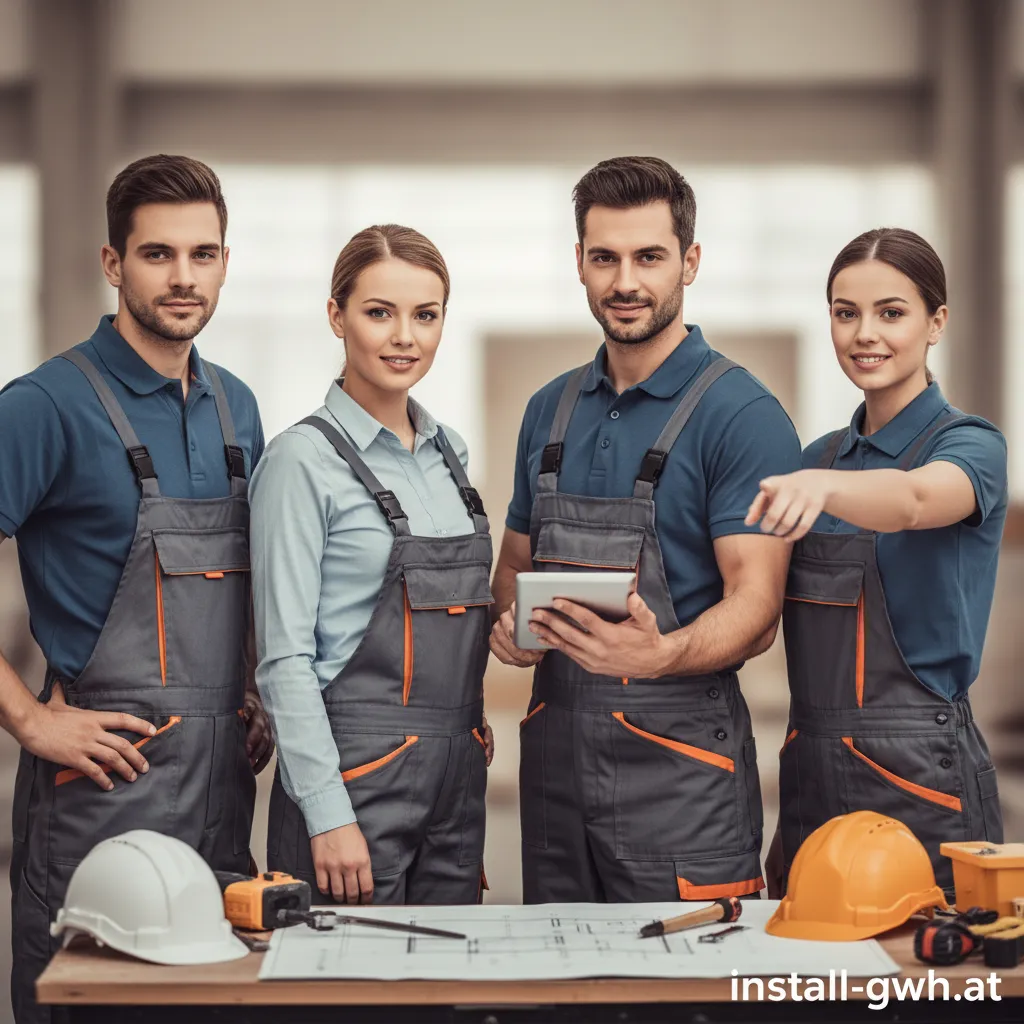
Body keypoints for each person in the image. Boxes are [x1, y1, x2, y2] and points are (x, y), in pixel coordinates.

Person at [0, 155, 273, 1024]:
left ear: (226, 262)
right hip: (104, 788)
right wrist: (31, 719)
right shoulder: (44, 405)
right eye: (158, 254)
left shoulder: (240, 411)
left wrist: (253, 686)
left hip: (222, 792)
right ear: (114, 264)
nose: (184, 277)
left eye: (204, 254)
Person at [489, 156, 802, 903]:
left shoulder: (742, 416)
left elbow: (756, 611)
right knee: (562, 985)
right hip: (557, 771)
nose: (625, 281)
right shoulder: (550, 411)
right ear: (580, 264)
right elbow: (513, 568)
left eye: (648, 257)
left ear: (689, 262)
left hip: (681, 774)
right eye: (605, 258)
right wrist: (510, 629)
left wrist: (660, 655)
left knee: (689, 996)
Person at [748, 228, 1008, 897]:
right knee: (802, 987)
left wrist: (823, 490)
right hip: (811, 770)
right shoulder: (819, 460)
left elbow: (918, 498)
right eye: (845, 312)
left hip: (922, 777)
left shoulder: (970, 445)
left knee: (935, 987)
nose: (865, 334)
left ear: (936, 323)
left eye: (891, 313)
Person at [252, 224, 494, 907]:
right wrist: (327, 815)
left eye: (425, 315)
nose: (404, 337)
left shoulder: (453, 453)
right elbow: (284, 660)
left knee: (446, 984)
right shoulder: (301, 462)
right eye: (379, 313)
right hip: (353, 778)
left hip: (455, 777)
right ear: (337, 316)